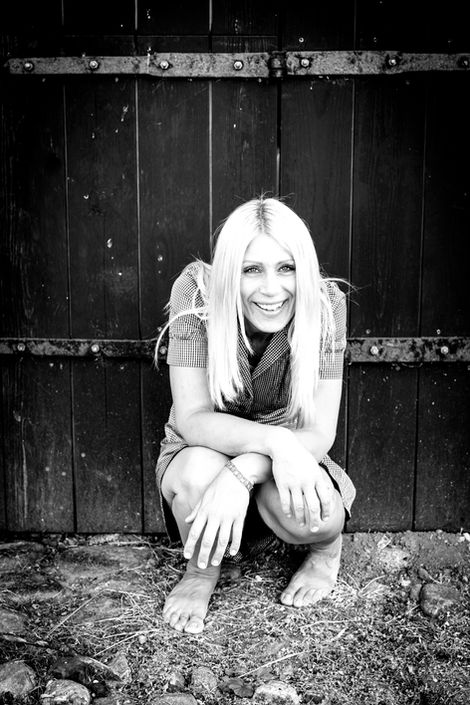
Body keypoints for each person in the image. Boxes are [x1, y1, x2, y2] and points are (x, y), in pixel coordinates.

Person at [156, 196, 356, 634]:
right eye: (251, 270)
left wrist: (247, 468)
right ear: (231, 271)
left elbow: (319, 431)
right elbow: (192, 418)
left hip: (287, 453)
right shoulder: (196, 291)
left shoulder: (327, 303)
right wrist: (272, 442)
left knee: (315, 515)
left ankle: (326, 552)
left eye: (286, 268)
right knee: (197, 474)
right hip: (206, 446)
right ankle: (201, 571)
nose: (271, 289)